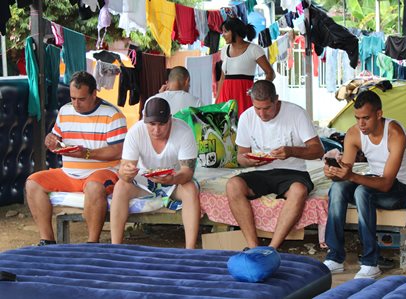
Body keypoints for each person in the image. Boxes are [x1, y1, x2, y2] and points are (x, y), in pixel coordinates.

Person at [26, 71, 127, 245]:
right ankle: (47, 240)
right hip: (69, 173)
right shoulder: (65, 110)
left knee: (94, 187)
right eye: (72, 98)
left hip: (102, 172)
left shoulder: (112, 115)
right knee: (32, 183)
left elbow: (118, 151)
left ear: (94, 94)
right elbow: (56, 139)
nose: (76, 104)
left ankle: (92, 243)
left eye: (81, 99)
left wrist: (86, 153)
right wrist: (51, 140)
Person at [323, 90, 406, 279]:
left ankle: (370, 262)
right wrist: (334, 173)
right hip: (374, 183)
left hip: (402, 190)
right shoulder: (354, 133)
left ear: (379, 114)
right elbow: (346, 172)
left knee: (362, 192)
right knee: (338, 188)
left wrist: (351, 175)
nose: (361, 124)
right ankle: (335, 258)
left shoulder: (395, 133)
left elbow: (386, 184)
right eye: (357, 118)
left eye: (366, 118)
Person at [226, 80, 324, 249]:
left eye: (267, 108)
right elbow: (241, 156)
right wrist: (248, 160)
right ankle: (254, 247)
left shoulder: (296, 113)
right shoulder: (247, 117)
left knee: (299, 190)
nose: (262, 114)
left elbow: (318, 150)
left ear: (276, 100)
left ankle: (273, 247)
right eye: (258, 108)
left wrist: (292, 151)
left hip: (293, 171)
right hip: (260, 172)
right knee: (233, 185)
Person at [110, 97, 200, 249]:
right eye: (151, 124)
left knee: (190, 189)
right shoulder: (135, 132)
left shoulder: (184, 131)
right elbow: (124, 171)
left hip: (174, 180)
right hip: (145, 180)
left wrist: (172, 179)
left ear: (170, 119)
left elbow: (187, 172)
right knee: (120, 186)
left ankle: (189, 249)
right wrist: (126, 173)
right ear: (144, 120)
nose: (156, 130)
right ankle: (115, 247)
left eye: (162, 124)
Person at [216, 18, 275, 117]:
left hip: (244, 96)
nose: (223, 35)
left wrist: (259, 92)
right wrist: (217, 100)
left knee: (245, 126)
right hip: (225, 97)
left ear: (235, 32)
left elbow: (270, 73)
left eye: (225, 31)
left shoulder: (254, 49)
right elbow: (222, 78)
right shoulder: (224, 49)